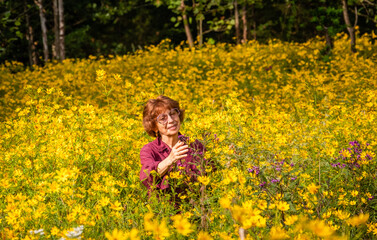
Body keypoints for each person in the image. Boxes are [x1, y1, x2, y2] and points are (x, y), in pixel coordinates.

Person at [139, 95, 205, 196]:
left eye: (173, 114)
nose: (171, 120)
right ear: (154, 126)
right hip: (165, 209)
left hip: (196, 207)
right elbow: (146, 178)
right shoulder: (149, 150)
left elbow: (210, 174)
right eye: (162, 118)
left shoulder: (195, 144)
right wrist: (170, 159)